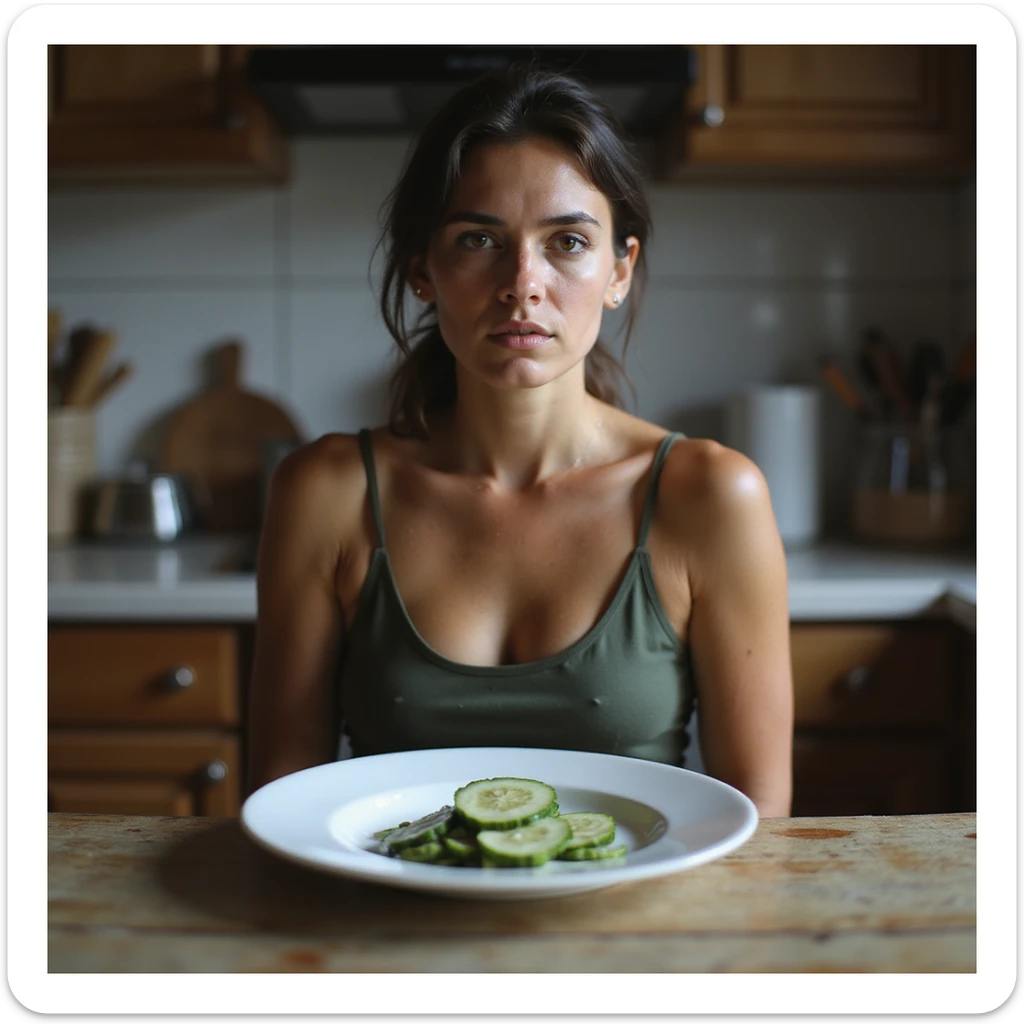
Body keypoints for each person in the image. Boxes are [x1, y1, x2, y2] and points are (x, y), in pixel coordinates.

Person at [247, 62, 794, 818]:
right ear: (423, 272)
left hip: (632, 933)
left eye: (567, 241)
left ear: (619, 271)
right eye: (479, 239)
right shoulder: (327, 492)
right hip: (382, 928)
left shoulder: (707, 496)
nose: (522, 283)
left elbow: (756, 820)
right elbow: (281, 803)